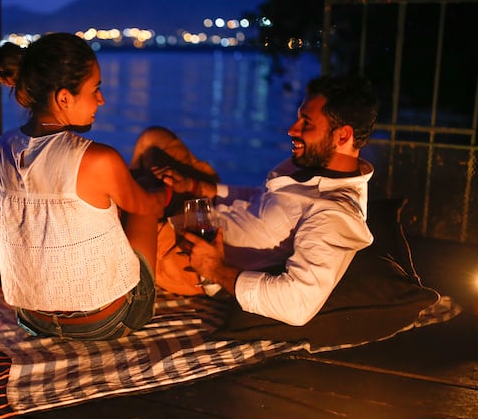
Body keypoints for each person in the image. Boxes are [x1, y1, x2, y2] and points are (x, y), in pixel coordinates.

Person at [134, 75, 379, 326]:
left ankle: (143, 207)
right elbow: (260, 198)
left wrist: (215, 268)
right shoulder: (313, 165)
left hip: (191, 252)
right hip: (205, 212)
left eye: (306, 123)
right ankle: (150, 196)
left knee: (128, 203)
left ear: (342, 136)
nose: (292, 130)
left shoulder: (335, 213)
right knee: (154, 140)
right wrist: (197, 186)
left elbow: (298, 305)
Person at [0, 33, 180, 340]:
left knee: (106, 202)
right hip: (106, 320)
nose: (101, 100)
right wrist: (165, 188)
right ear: (64, 98)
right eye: (95, 89)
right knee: (143, 191)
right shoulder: (96, 158)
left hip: (31, 317)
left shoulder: (3, 146)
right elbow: (147, 206)